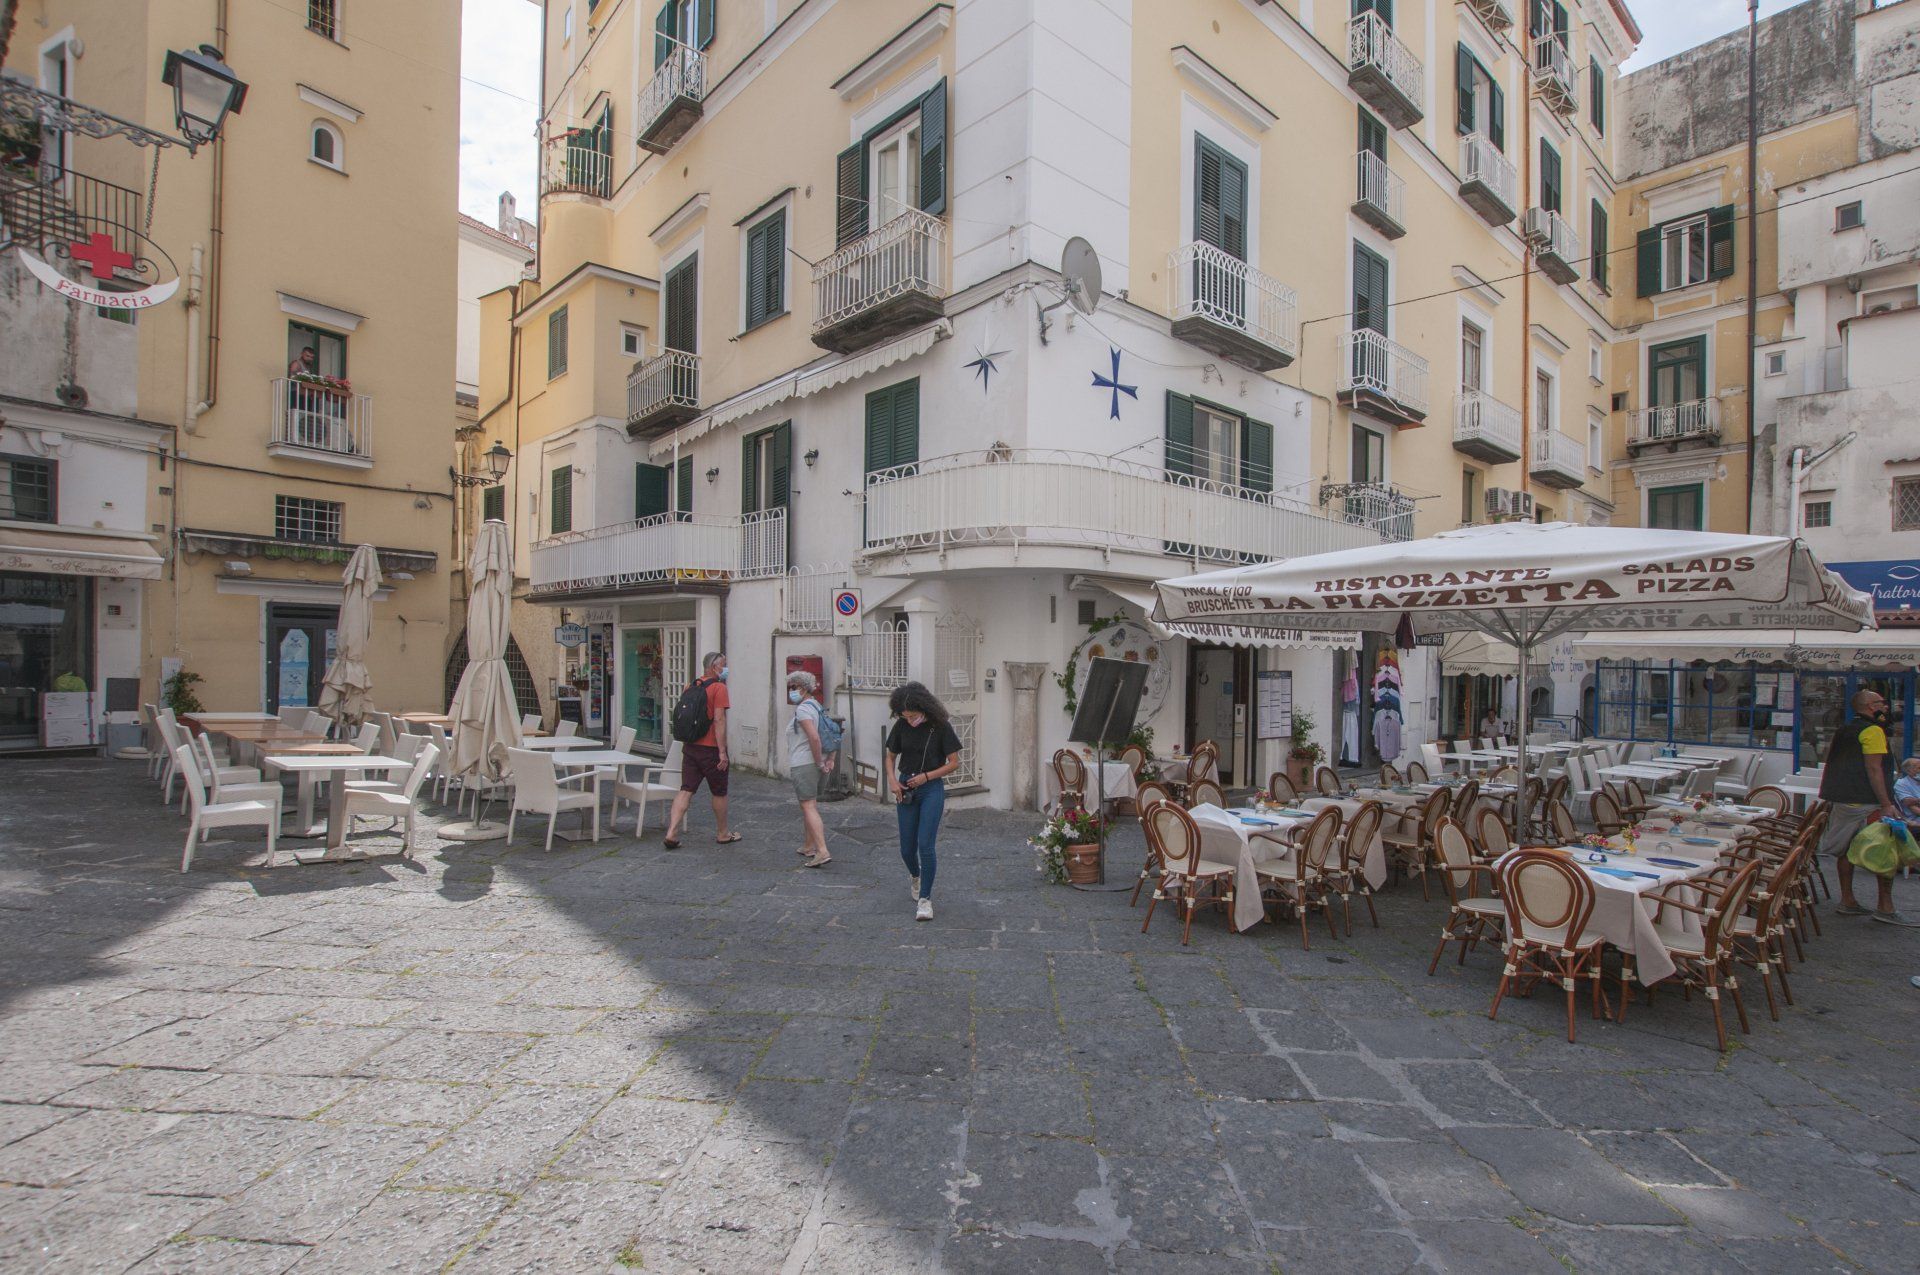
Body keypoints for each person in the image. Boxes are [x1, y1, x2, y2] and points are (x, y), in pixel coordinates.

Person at [1818, 688, 1915, 927]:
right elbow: (1874, 769)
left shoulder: (1844, 729)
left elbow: (1832, 759)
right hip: (1867, 800)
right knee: (1885, 849)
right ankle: (1885, 906)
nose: (1887, 706)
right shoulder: (1873, 730)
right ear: (1872, 706)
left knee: (1846, 851)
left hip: (1843, 798)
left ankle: (1848, 901)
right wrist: (1886, 803)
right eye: (1882, 702)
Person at [884, 681, 963, 922]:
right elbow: (890, 756)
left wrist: (927, 776)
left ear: (924, 709)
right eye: (905, 716)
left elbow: (953, 762)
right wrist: (892, 781)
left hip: (931, 789)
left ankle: (925, 900)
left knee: (925, 844)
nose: (910, 720)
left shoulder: (940, 727)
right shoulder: (901, 725)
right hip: (905, 787)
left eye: (913, 716)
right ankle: (915, 876)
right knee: (906, 849)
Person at [664, 651, 740, 849]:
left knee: (686, 789)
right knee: (719, 792)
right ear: (714, 667)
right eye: (723, 665)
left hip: (690, 747)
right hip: (710, 749)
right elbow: (719, 720)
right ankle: (723, 833)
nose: (725, 669)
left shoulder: (691, 685)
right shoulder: (718, 688)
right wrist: (722, 752)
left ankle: (672, 831)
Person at [786, 670, 832, 868]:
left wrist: (818, 762)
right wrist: (829, 759)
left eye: (793, 687)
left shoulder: (803, 709)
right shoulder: (817, 706)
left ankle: (822, 850)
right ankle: (809, 845)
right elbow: (833, 732)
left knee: (808, 805)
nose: (791, 691)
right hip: (816, 761)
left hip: (805, 763)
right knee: (810, 803)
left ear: (803, 688)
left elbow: (814, 737)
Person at [1896, 757, 1920, 822]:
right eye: (1919, 768)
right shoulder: (1902, 783)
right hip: (1914, 819)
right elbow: (1909, 803)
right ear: (1909, 771)